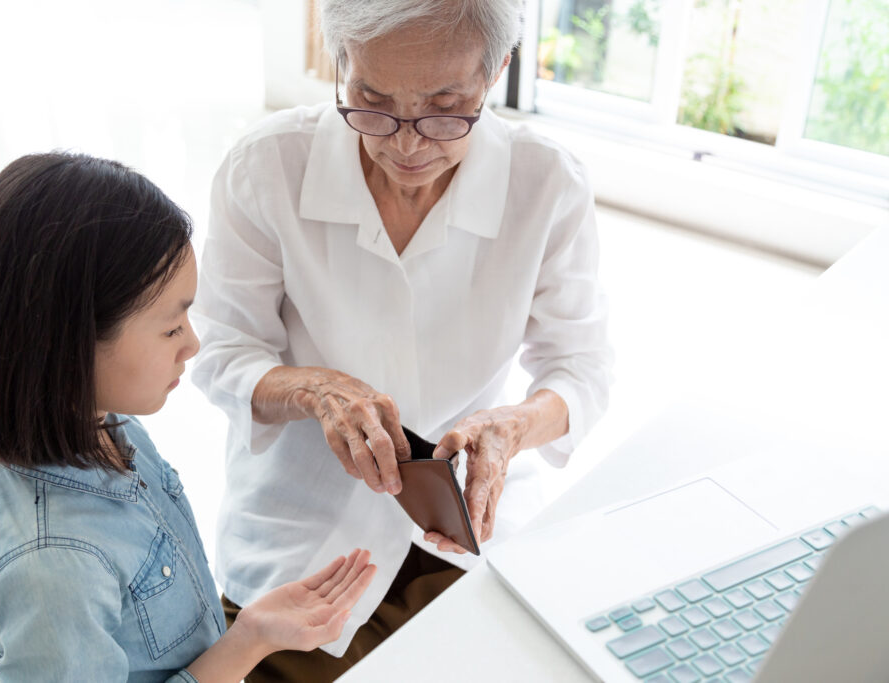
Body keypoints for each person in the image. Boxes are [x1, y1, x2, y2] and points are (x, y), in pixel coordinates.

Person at [192, 0, 613, 679]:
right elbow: (220, 350)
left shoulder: (546, 183)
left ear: (496, 72)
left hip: (471, 525)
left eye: (446, 108)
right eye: (371, 100)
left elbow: (581, 365)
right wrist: (315, 389)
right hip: (306, 535)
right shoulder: (267, 166)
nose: (407, 144)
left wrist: (511, 427)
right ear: (341, 64)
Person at [0, 152, 376, 682]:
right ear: (70, 341)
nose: (192, 344)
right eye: (171, 328)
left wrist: (251, 634)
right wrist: (247, 644)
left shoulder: (103, 426)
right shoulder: (52, 571)